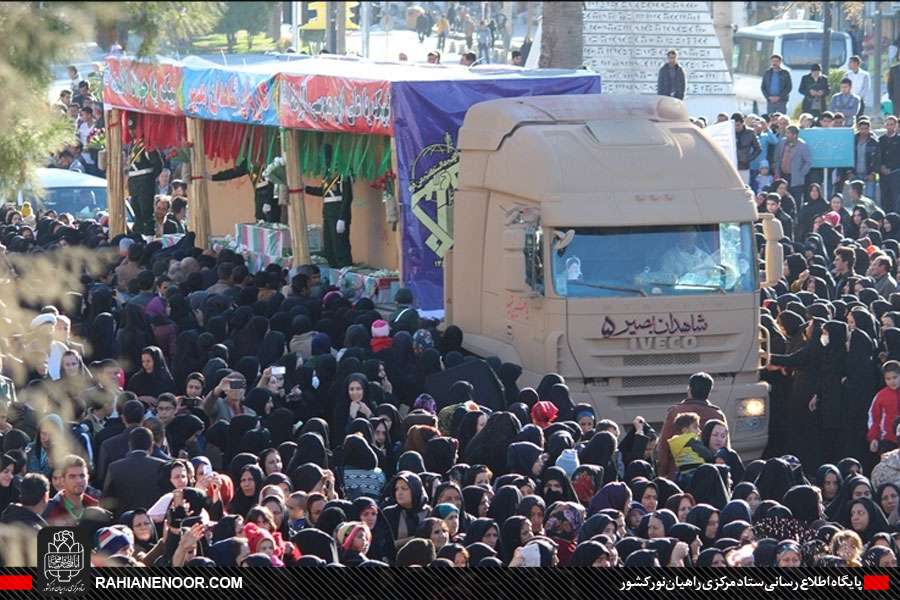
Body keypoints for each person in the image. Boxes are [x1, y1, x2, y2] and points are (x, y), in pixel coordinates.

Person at [657, 373, 727, 478]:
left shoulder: (676, 412)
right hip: (710, 475)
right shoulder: (717, 414)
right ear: (709, 392)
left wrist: (662, 476)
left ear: (689, 389)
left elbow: (663, 448)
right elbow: (724, 448)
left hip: (678, 474)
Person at [304, 146, 353, 268]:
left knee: (340, 246)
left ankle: (344, 269)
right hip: (327, 213)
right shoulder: (327, 175)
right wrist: (306, 189)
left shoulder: (343, 174)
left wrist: (342, 217)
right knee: (329, 246)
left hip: (338, 214)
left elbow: (347, 197)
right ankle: (334, 271)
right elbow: (324, 192)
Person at [102, 427, 167, 516]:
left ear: (130, 445)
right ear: (152, 446)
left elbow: (107, 499)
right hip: (153, 521)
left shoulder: (114, 467)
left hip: (124, 521)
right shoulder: (162, 466)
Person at [43, 455, 98, 526]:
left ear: (88, 478)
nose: (78, 480)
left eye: (82, 476)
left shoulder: (95, 506)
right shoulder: (49, 509)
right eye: (72, 476)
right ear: (62, 480)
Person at [774, 125, 812, 202]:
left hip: (795, 178)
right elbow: (777, 158)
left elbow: (808, 162)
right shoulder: (782, 142)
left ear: (794, 135)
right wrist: (777, 172)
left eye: (788, 133)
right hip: (783, 176)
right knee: (783, 199)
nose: (786, 135)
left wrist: (801, 173)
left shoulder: (802, 145)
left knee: (796, 200)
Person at [850, 119, 880, 200]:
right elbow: (848, 155)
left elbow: (878, 159)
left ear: (869, 128)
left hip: (869, 174)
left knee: (870, 198)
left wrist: (874, 173)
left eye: (866, 128)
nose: (863, 131)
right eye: (861, 128)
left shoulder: (874, 141)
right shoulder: (852, 140)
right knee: (855, 198)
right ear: (858, 128)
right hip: (854, 174)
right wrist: (849, 171)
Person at [733, 113, 760, 184]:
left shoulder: (750, 133)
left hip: (744, 166)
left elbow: (758, 149)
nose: (736, 127)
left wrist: (748, 159)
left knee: (744, 188)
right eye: (734, 125)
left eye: (738, 125)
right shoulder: (729, 132)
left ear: (743, 123)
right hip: (731, 166)